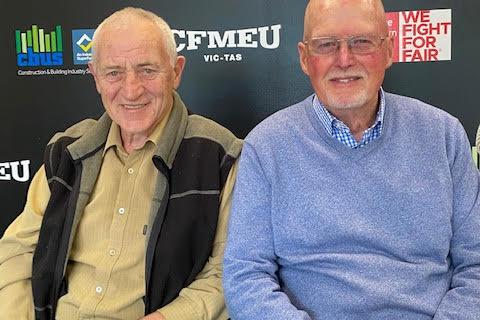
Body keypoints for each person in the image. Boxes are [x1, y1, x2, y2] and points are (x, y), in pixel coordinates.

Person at [223, 0, 480, 319]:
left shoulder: (444, 135)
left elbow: (476, 265)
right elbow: (245, 276)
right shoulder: (265, 146)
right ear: (305, 58)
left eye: (362, 42)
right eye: (326, 45)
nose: (344, 60)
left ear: (389, 51)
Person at [0, 7, 241, 320]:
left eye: (147, 70)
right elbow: (18, 250)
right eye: (113, 72)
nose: (131, 90)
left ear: (176, 71)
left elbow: (229, 270)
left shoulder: (219, 156)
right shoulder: (67, 152)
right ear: (96, 77)